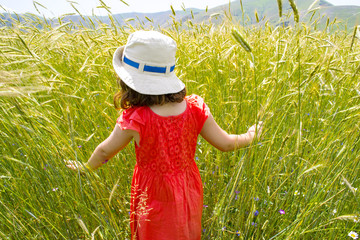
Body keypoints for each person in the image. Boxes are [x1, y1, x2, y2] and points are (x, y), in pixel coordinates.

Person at [66, 30, 262, 240]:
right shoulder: (195, 108)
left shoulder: (137, 118)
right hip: (187, 190)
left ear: (129, 82)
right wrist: (251, 135)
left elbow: (105, 150)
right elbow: (225, 143)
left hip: (151, 195)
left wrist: (85, 167)